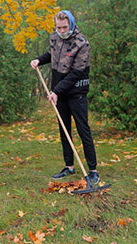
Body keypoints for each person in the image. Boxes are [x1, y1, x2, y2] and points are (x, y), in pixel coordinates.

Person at [30, 10, 101, 184]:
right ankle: (69, 166)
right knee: (64, 129)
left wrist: (57, 91)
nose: (61, 31)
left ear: (71, 23)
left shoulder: (82, 43)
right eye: (58, 27)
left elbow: (76, 73)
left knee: (83, 129)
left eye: (64, 27)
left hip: (76, 91)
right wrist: (39, 60)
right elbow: (52, 55)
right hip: (59, 91)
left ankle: (93, 170)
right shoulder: (54, 38)